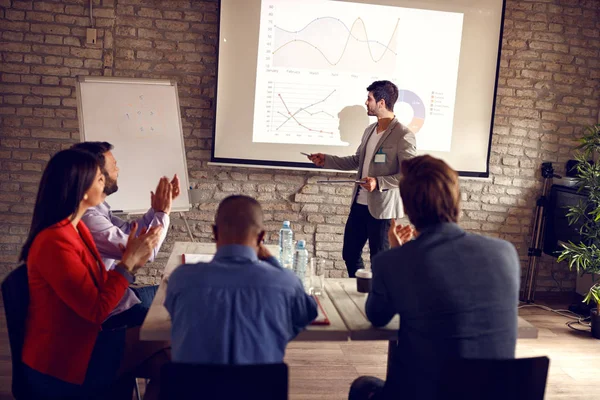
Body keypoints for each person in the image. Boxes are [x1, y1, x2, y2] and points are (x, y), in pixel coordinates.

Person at [349, 155, 520, 400]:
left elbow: (377, 316)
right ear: (457, 200)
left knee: (363, 386)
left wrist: (398, 256)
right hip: (494, 392)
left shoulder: (393, 262)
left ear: (406, 207)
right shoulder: (505, 252)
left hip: (427, 392)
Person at [19, 149, 165, 399]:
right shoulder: (54, 241)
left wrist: (130, 264)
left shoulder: (76, 229)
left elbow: (99, 284)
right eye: (99, 179)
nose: (105, 184)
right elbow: (97, 310)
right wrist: (128, 265)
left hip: (85, 341)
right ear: (82, 189)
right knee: (170, 342)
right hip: (66, 360)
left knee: (170, 360)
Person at [165, 195, 318, 364]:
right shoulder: (286, 282)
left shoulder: (181, 279)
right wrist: (272, 261)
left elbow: (175, 316)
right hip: (260, 390)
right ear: (261, 238)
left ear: (215, 233)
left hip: (193, 390)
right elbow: (307, 313)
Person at [307, 81, 417, 277]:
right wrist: (326, 160)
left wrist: (379, 182)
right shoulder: (369, 131)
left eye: (369, 99)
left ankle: (378, 296)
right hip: (359, 203)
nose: (366, 103)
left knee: (380, 260)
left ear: (381, 102)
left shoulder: (403, 134)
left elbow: (408, 174)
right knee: (349, 253)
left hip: (383, 209)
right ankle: (360, 289)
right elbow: (357, 160)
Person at [71, 141, 180, 329]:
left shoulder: (97, 209)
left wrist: (155, 211)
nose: (118, 170)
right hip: (114, 312)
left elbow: (130, 233)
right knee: (176, 326)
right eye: (113, 166)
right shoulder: (88, 218)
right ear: (96, 176)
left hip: (123, 296)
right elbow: (144, 252)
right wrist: (162, 213)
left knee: (181, 292)